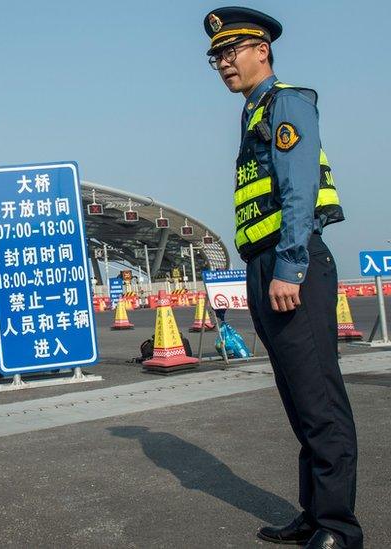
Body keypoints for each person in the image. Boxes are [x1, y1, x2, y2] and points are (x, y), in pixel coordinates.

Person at [204, 7, 360, 548]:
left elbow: (299, 191)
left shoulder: (286, 102)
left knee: (319, 401)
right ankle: (315, 515)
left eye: (231, 51)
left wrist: (290, 266)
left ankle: (339, 527)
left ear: (262, 50)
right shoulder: (252, 114)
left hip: (294, 265)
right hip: (263, 264)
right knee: (298, 398)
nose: (223, 62)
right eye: (216, 56)